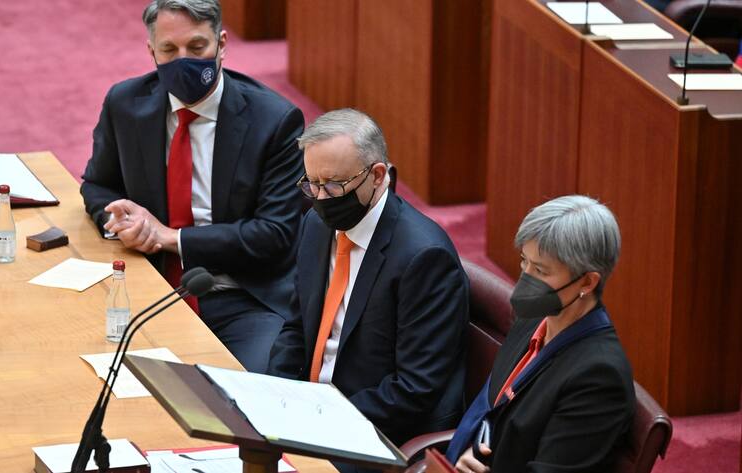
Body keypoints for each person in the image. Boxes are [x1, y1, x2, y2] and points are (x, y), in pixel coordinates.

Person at [80, 0, 305, 373]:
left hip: (239, 294)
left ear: (222, 44)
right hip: (147, 283)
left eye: (197, 48)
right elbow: (98, 186)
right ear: (151, 51)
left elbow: (275, 234)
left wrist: (171, 238)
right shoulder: (125, 103)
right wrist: (123, 219)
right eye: (169, 49)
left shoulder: (275, 121)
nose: (183, 60)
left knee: (248, 403)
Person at [268, 109, 469, 447]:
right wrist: (276, 395)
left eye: (333, 185)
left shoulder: (423, 258)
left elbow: (413, 389)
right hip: (308, 411)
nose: (319, 199)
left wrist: (317, 419)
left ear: (377, 175)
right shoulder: (316, 226)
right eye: (311, 184)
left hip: (371, 430)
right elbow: (298, 325)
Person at [447, 195, 635, 473]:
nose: (526, 278)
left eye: (541, 271)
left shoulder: (598, 377)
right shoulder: (533, 318)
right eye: (525, 262)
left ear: (587, 282)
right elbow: (495, 410)